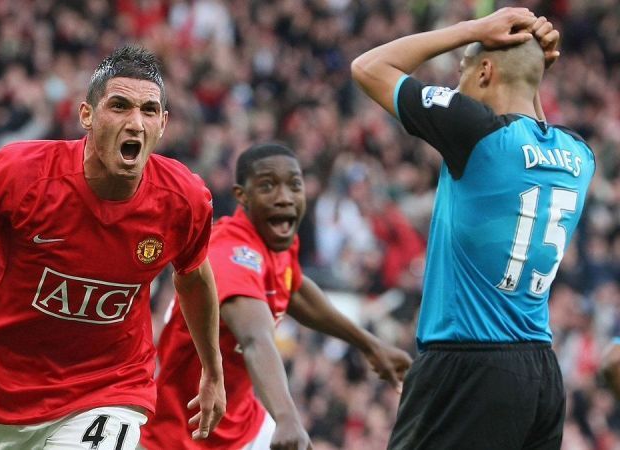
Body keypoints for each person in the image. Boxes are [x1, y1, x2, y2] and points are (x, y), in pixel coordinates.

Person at [0, 45, 226, 449]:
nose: (135, 122)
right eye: (119, 106)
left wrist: (212, 368)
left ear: (163, 124)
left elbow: (193, 278)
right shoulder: (16, 175)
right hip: (3, 395)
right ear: (86, 115)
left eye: (148, 110)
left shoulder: (184, 198)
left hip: (112, 388)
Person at [351, 8, 595, 449]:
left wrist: (475, 29)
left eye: (461, 73)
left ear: (484, 71)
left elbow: (368, 68)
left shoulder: (476, 135)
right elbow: (528, 112)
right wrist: (531, 66)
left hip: (467, 366)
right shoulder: (579, 155)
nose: (456, 87)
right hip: (540, 374)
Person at [140, 143, 412, 450]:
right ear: (242, 196)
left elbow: (294, 288)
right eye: (268, 185)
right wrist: (287, 417)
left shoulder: (275, 240)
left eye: (294, 185)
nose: (284, 197)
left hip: (244, 423)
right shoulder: (230, 254)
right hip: (184, 436)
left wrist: (369, 344)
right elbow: (256, 338)